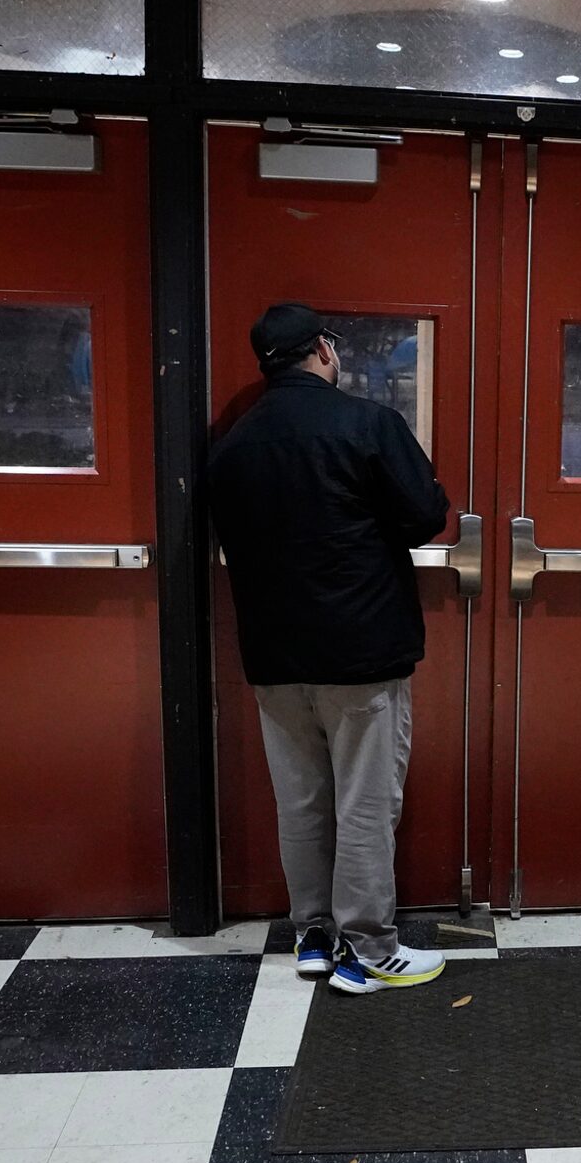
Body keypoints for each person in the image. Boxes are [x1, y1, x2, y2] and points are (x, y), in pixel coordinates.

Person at [206, 303, 451, 994]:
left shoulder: (232, 443)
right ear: (323, 350)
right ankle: (369, 946)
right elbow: (426, 516)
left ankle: (313, 934)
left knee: (302, 803)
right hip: (361, 653)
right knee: (366, 804)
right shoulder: (367, 423)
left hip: (273, 655)